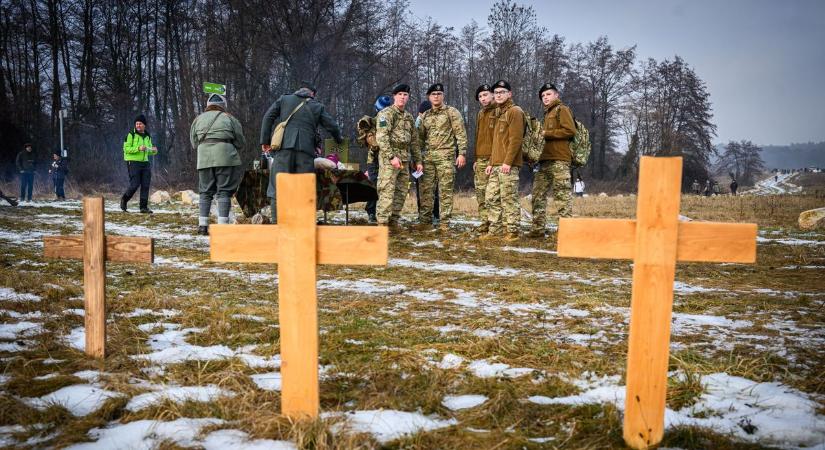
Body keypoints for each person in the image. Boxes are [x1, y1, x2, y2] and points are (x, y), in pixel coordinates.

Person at [260, 81, 343, 223]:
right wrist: (339, 140)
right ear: (312, 95)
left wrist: (265, 141)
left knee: (277, 187)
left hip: (283, 150)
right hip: (305, 152)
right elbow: (333, 126)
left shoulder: (284, 99)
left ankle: (276, 224)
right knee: (304, 189)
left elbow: (268, 116)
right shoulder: (317, 106)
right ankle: (302, 225)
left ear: (299, 91)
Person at [190, 94, 246, 235]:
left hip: (204, 158)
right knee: (224, 191)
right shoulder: (229, 118)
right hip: (225, 157)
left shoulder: (198, 119)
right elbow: (240, 141)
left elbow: (194, 142)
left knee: (205, 192)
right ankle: (222, 226)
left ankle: (202, 225)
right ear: (223, 105)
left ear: (207, 105)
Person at [416, 83, 468, 232]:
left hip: (446, 156)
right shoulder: (425, 115)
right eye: (433, 94)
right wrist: (418, 159)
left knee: (445, 191)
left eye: (439, 94)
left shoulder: (452, 112)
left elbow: (460, 134)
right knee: (426, 190)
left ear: (443, 96)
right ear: (429, 97)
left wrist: (462, 153)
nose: (436, 96)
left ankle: (445, 223)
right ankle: (425, 221)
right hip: (428, 158)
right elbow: (419, 140)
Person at [528, 83, 575, 238]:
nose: (545, 98)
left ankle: (567, 233)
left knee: (562, 197)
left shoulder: (563, 110)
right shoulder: (547, 113)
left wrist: (547, 133)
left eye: (548, 94)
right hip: (545, 161)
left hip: (560, 160)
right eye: (543, 96)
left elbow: (570, 131)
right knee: (538, 195)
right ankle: (537, 229)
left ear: (556, 95)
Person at [374, 83, 423, 230]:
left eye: (405, 95)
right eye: (400, 94)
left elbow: (414, 141)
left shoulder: (408, 117)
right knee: (387, 192)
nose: (402, 97)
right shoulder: (386, 114)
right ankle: (382, 224)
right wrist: (391, 157)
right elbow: (381, 137)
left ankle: (393, 223)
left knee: (401, 193)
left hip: (405, 159)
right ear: (394, 96)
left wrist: (418, 160)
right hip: (390, 159)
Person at [481, 80, 524, 242]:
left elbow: (516, 139)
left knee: (508, 198)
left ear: (509, 94)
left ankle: (512, 232)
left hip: (508, 165)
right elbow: (497, 143)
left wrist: (508, 162)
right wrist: (491, 162)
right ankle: (495, 230)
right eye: (496, 92)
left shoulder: (515, 111)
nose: (498, 95)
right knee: (491, 197)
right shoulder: (499, 112)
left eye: (502, 92)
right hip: (496, 164)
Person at [361, 95, 393, 224]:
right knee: (374, 186)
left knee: (387, 187)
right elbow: (371, 142)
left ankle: (384, 213)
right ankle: (371, 212)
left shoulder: (390, 120)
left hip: (387, 158)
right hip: (374, 159)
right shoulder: (372, 122)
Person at [120, 115, 158, 213]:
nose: (138, 125)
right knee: (135, 184)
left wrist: (153, 150)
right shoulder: (130, 135)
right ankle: (124, 199)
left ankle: (143, 207)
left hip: (145, 163)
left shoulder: (147, 136)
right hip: (133, 162)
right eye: (136, 124)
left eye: (140, 124)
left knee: (145, 185)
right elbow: (126, 149)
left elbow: (148, 150)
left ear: (144, 125)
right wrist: (138, 148)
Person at [473, 83, 495, 234]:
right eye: (480, 96)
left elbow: (500, 140)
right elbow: (479, 137)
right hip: (480, 159)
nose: (483, 98)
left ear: (492, 95)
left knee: (492, 195)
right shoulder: (481, 114)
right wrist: (476, 158)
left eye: (485, 95)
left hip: (493, 159)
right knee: (481, 193)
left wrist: (493, 160)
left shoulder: (499, 111)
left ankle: (496, 224)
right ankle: (484, 222)